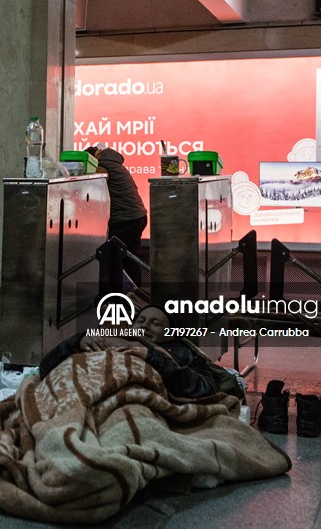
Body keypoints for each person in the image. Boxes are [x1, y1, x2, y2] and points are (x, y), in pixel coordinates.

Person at [38, 304, 243, 401]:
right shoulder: (109, 337)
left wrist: (150, 355)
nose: (145, 326)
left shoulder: (180, 351)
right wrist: (77, 340)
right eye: (141, 320)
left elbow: (207, 389)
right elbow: (44, 369)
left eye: (155, 323)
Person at [85, 144, 148, 286]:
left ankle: (113, 296)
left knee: (112, 257)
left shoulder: (103, 165)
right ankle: (136, 293)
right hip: (138, 216)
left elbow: (96, 183)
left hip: (125, 219)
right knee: (129, 256)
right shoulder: (115, 163)